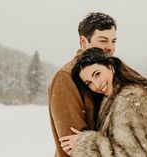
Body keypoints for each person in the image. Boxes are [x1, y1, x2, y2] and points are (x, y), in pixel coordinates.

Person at [60, 47, 147, 157]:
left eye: (97, 74)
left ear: (110, 66)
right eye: (89, 83)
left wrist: (86, 144)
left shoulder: (133, 99)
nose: (96, 85)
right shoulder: (112, 100)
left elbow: (134, 154)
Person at [48, 12, 118, 157]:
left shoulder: (110, 73)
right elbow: (73, 146)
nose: (110, 47)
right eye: (103, 40)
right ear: (84, 42)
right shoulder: (66, 78)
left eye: (113, 41)